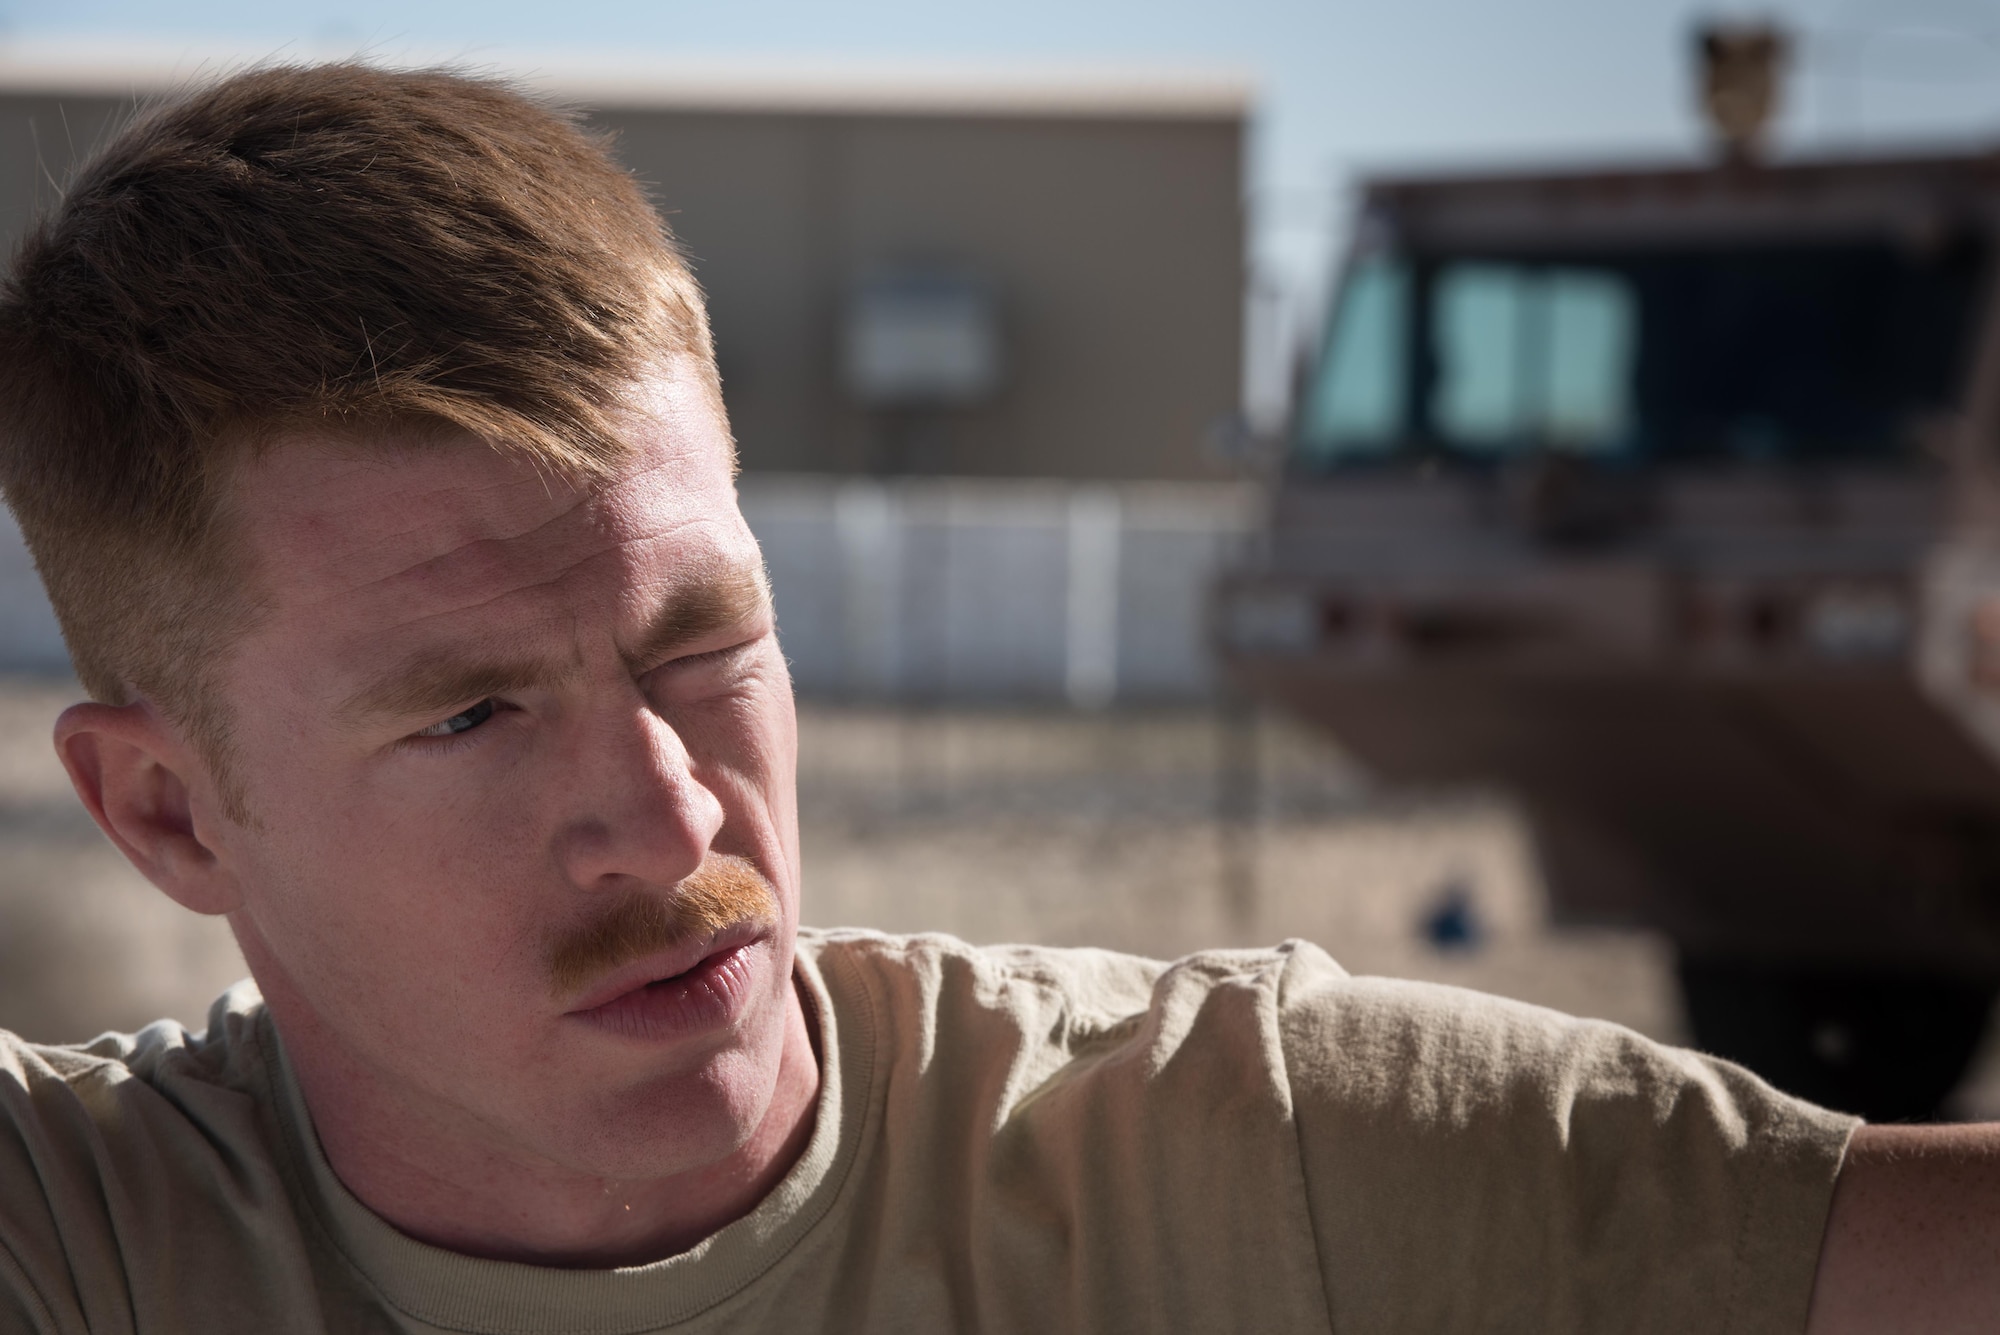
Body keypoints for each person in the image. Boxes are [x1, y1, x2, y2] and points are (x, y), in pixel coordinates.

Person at [0, 62, 1990, 1335]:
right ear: (169, 811)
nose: (675, 811)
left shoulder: (1240, 1164)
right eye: (471, 715)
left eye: (702, 641)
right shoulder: (89, 1240)